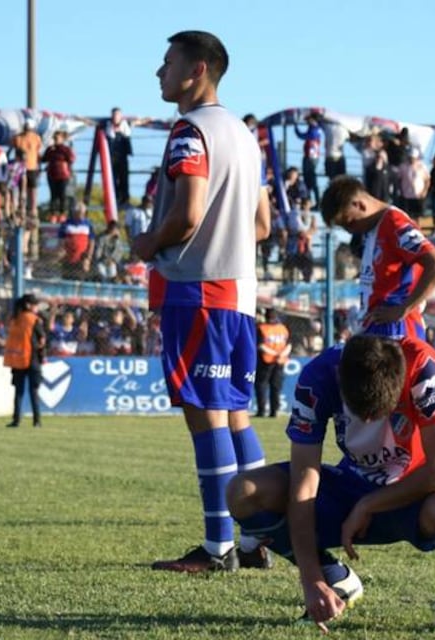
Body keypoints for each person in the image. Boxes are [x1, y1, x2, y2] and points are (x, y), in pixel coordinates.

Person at [227, 334, 435, 635]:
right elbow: (304, 486)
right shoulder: (318, 377)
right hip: (354, 483)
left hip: (422, 489)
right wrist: (311, 581)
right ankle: (333, 578)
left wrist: (368, 505)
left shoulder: (423, 365)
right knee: (243, 492)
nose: (367, 422)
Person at [132, 30, 272, 573]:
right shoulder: (243, 135)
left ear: (198, 71)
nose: (159, 72)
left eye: (167, 63)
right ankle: (258, 539)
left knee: (205, 416)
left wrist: (150, 241)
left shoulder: (190, 132)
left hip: (200, 291)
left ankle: (218, 549)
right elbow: (260, 225)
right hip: (239, 293)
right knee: (235, 414)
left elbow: (188, 214)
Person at [321, 176, 435, 339]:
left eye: (349, 222)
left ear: (359, 205)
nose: (349, 231)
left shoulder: (396, 224)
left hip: (396, 329)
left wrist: (404, 308)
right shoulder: (373, 229)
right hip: (377, 326)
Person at [3, 293, 47, 428]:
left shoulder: (14, 319)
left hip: (17, 359)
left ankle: (16, 420)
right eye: (35, 305)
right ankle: (37, 421)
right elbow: (42, 339)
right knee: (34, 391)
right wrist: (40, 351)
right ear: (29, 306)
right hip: (32, 358)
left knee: (18, 391)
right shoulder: (33, 319)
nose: (37, 308)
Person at [254, 308, 290, 418]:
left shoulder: (261, 328)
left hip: (266, 360)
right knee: (276, 386)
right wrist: (281, 354)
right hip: (279, 360)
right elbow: (289, 345)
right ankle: (274, 411)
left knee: (261, 385)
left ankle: (262, 411)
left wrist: (274, 354)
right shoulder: (283, 328)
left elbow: (260, 345)